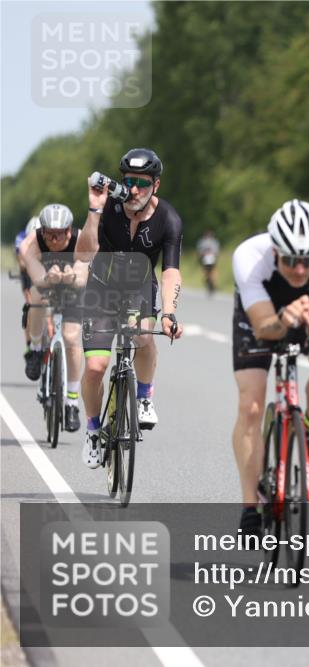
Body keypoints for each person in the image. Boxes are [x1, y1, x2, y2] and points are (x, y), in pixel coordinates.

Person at [230, 199, 309, 535]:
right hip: (264, 317)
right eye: (291, 260)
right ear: (274, 251)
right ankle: (250, 507)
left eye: (308, 261)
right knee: (250, 406)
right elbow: (263, 328)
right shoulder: (249, 257)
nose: (300, 270)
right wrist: (283, 318)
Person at [75, 148, 184, 469]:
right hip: (101, 289)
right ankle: (93, 431)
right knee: (95, 368)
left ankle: (144, 397)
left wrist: (168, 312)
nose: (133, 189)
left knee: (145, 338)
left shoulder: (169, 219)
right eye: (128, 181)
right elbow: (84, 254)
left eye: (142, 183)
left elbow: (171, 270)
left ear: (156, 185)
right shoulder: (108, 207)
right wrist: (94, 210)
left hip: (139, 288)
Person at [19, 204, 87, 431]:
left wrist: (72, 276)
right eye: (50, 234)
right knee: (36, 297)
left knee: (71, 338)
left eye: (60, 234)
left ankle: (71, 402)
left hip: (73, 290)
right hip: (46, 284)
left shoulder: (81, 241)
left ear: (69, 230)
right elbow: (36, 277)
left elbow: (82, 276)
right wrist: (49, 277)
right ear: (43, 231)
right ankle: (37, 349)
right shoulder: (32, 242)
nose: (55, 240)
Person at [16, 216, 42, 348]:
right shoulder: (21, 237)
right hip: (27, 272)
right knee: (30, 305)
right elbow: (21, 262)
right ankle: (29, 347)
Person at [196, 230, 221, 295]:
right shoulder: (204, 242)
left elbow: (216, 252)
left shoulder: (210, 242)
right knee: (207, 273)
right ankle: (210, 283)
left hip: (211, 260)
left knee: (211, 273)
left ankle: (213, 283)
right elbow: (199, 252)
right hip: (206, 261)